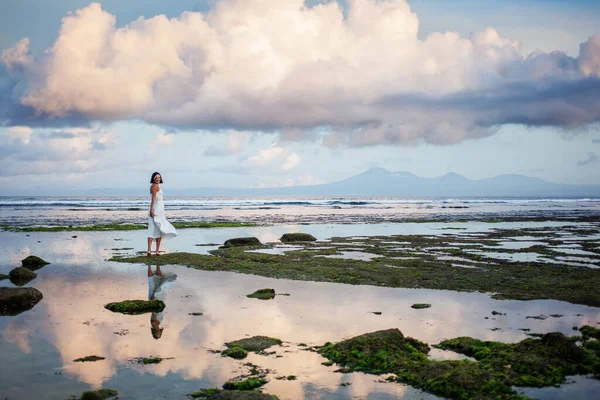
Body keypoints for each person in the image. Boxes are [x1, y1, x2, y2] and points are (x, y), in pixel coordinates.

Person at [148, 172, 177, 256]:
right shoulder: (154, 186)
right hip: (155, 210)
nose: (158, 179)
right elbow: (153, 200)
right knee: (153, 229)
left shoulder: (156, 186)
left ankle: (155, 251)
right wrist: (151, 211)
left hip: (159, 210)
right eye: (156, 177)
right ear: (153, 178)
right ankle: (151, 250)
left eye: (159, 177)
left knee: (158, 230)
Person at [148, 263, 177, 339]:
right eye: (159, 333)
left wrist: (153, 300)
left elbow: (153, 313)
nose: (158, 331)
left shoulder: (154, 324)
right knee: (155, 282)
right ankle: (152, 264)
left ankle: (150, 264)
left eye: (157, 332)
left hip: (156, 300)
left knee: (154, 283)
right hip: (158, 300)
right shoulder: (158, 323)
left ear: (154, 331)